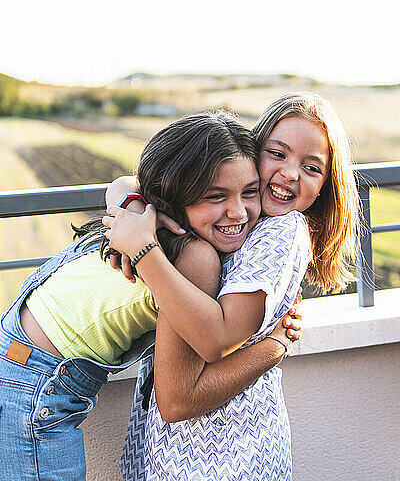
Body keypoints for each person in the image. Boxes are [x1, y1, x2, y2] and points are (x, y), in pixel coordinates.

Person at [0, 111, 302, 481]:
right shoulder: (195, 256)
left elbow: (122, 183)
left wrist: (131, 205)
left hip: (16, 352)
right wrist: (277, 343)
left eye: (249, 192)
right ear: (177, 194)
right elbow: (204, 358)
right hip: (33, 387)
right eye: (215, 196)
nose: (238, 211)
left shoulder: (146, 218)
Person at [104, 92, 360, 481]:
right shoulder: (242, 216)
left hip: (222, 453)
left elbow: (206, 354)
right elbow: (128, 182)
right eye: (277, 154)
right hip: (190, 448)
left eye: (311, 167)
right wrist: (136, 207)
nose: (291, 173)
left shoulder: (282, 229)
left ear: (326, 184)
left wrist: (144, 250)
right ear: (251, 152)